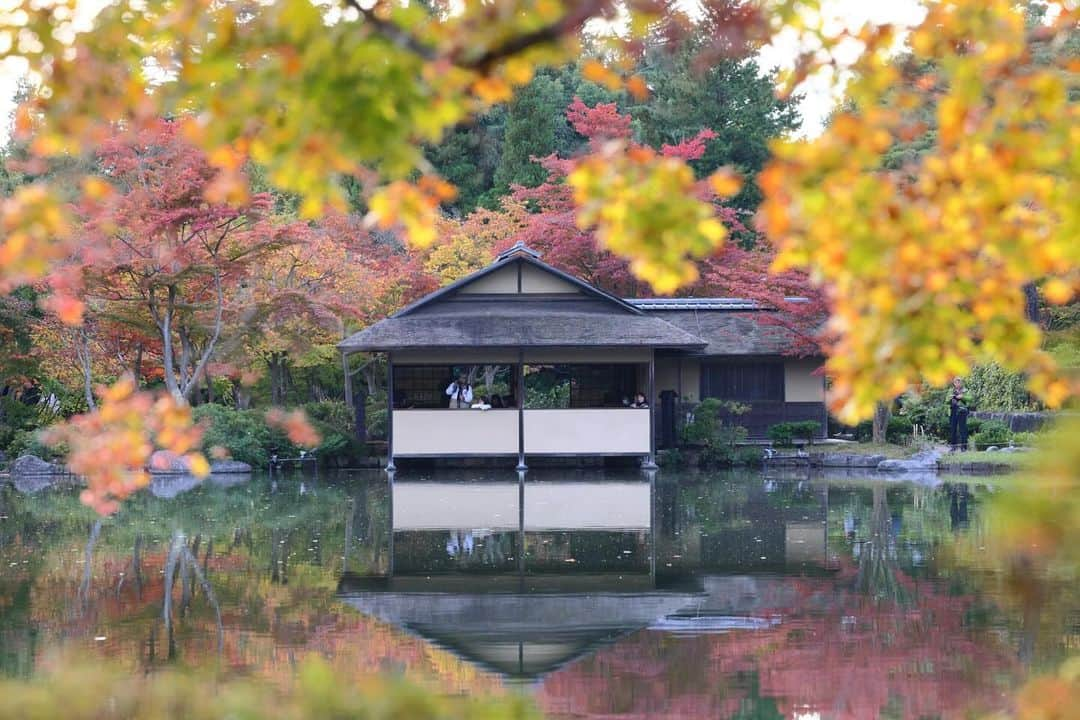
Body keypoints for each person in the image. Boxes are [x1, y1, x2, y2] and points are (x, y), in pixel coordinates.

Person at [948, 377, 971, 451]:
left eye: (959, 382)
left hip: (962, 411)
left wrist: (962, 397)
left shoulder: (966, 390)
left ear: (961, 383)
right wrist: (951, 398)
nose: (957, 384)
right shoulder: (951, 391)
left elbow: (970, 399)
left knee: (963, 429)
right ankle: (953, 447)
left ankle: (964, 447)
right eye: (956, 382)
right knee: (953, 429)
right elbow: (946, 400)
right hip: (953, 411)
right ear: (954, 384)